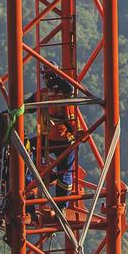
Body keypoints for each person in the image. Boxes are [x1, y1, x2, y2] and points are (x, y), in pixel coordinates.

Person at [29, 71, 83, 216]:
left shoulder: (65, 92)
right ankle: (46, 174)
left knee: (64, 174)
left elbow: (69, 88)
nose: (48, 80)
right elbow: (28, 106)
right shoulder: (43, 93)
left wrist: (57, 79)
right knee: (25, 148)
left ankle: (61, 207)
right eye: (46, 77)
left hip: (66, 140)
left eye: (51, 76)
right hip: (47, 138)